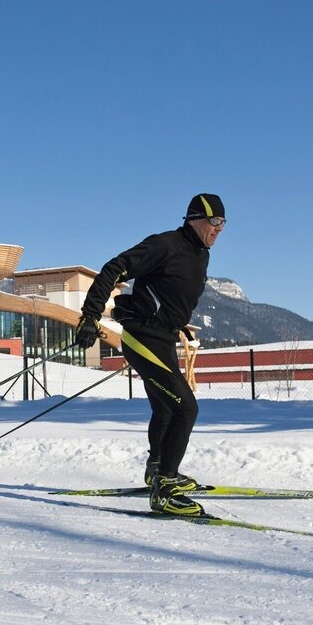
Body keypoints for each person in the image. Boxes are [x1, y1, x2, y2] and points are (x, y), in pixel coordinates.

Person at [74, 193, 226, 516]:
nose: (219, 230)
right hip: (143, 337)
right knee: (186, 408)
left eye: (223, 224)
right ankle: (166, 490)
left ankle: (157, 469)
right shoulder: (165, 245)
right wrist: (90, 316)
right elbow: (115, 267)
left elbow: (168, 293)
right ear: (194, 218)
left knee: (167, 408)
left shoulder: (201, 255)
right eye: (214, 222)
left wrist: (176, 322)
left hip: (164, 337)